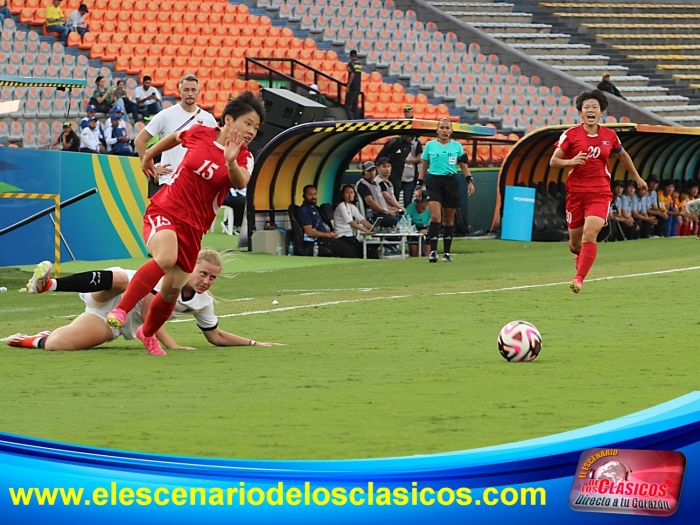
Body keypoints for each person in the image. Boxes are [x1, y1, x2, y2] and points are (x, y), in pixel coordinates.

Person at [103, 91, 264, 356]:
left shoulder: (245, 157)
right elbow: (176, 137)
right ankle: (121, 310)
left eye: (256, 127)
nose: (251, 131)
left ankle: (148, 333)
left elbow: (240, 182)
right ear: (227, 119)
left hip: (194, 229)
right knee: (166, 257)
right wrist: (149, 155)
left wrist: (231, 160)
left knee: (170, 292)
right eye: (247, 123)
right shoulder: (201, 133)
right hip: (165, 209)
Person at [6, 252, 283, 353]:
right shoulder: (168, 276)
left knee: (57, 344)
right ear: (189, 266)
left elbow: (217, 336)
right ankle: (51, 285)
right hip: (116, 296)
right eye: (203, 273)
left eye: (212, 277)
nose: (207, 281)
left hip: (120, 320)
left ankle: (33, 338)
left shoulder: (203, 301)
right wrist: (172, 346)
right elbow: (152, 310)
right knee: (123, 278)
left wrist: (254, 343)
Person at [549, 89, 646, 293]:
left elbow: (623, 156)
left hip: (600, 192)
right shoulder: (571, 134)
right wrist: (571, 161)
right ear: (580, 113)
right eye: (587, 107)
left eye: (595, 107)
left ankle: (579, 279)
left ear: (601, 112)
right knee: (576, 244)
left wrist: (637, 177)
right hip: (575, 193)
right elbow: (554, 161)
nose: (591, 110)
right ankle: (578, 255)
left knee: (590, 234)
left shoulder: (609, 135)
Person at [134, 74, 218, 197]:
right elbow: (139, 141)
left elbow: (214, 149)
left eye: (193, 90)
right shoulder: (166, 115)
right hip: (169, 180)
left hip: (196, 183)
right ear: (179, 91)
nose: (190, 93)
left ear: (199, 91)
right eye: (186, 90)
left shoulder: (208, 119)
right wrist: (151, 167)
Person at [416, 118, 475, 263]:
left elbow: (463, 165)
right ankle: (433, 251)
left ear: (451, 131)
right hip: (434, 182)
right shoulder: (430, 145)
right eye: (441, 127)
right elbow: (423, 167)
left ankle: (447, 253)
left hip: (450, 182)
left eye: (447, 128)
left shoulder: (457, 146)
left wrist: (470, 181)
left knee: (448, 219)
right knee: (435, 216)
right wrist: (419, 185)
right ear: (437, 130)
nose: (444, 130)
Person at [297, 185, 356, 258]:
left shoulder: (315, 209)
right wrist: (328, 235)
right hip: (314, 242)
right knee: (346, 250)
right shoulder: (304, 211)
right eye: (310, 194)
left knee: (350, 247)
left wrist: (330, 234)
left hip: (325, 238)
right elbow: (309, 232)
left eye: (315, 194)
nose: (313, 197)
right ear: (304, 196)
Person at [355, 161, 400, 228]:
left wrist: (389, 208)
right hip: (374, 215)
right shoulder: (363, 184)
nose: (372, 173)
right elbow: (370, 202)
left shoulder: (376, 184)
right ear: (363, 172)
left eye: (373, 170)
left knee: (401, 216)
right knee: (396, 220)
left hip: (382, 212)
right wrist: (386, 212)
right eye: (369, 171)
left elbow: (379, 201)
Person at [333, 184, 373, 258]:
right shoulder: (341, 206)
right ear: (343, 195)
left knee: (368, 248)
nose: (350, 195)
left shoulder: (352, 206)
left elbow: (362, 219)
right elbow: (351, 223)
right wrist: (366, 230)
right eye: (347, 193)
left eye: (352, 192)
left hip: (350, 235)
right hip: (342, 236)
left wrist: (372, 227)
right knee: (360, 249)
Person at [375, 135, 414, 201]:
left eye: (412, 136)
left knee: (396, 197)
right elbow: (380, 157)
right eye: (408, 135)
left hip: (398, 176)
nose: (410, 137)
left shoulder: (409, 146)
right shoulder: (394, 142)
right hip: (388, 176)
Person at [344, 50, 362, 120]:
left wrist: (348, 86)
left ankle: (351, 120)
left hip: (353, 87)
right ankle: (356, 119)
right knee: (355, 105)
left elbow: (352, 74)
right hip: (358, 87)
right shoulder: (359, 64)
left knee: (347, 106)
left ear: (351, 56)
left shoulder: (351, 64)